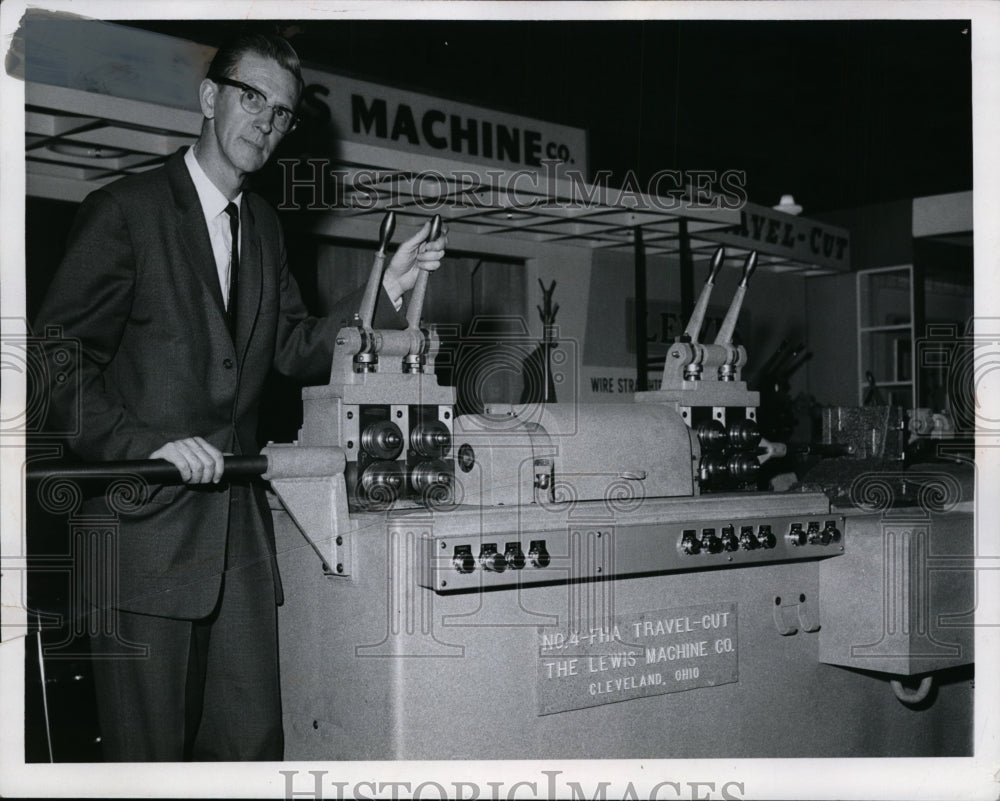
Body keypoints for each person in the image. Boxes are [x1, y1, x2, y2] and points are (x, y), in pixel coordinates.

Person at [33, 32, 447, 762]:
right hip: (142, 544)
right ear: (209, 97)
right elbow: (53, 363)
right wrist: (146, 448)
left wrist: (384, 290)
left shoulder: (261, 227)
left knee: (252, 752)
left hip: (239, 550)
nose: (267, 120)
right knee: (151, 767)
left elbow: (291, 345)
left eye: (281, 112)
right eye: (252, 97)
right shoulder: (125, 211)